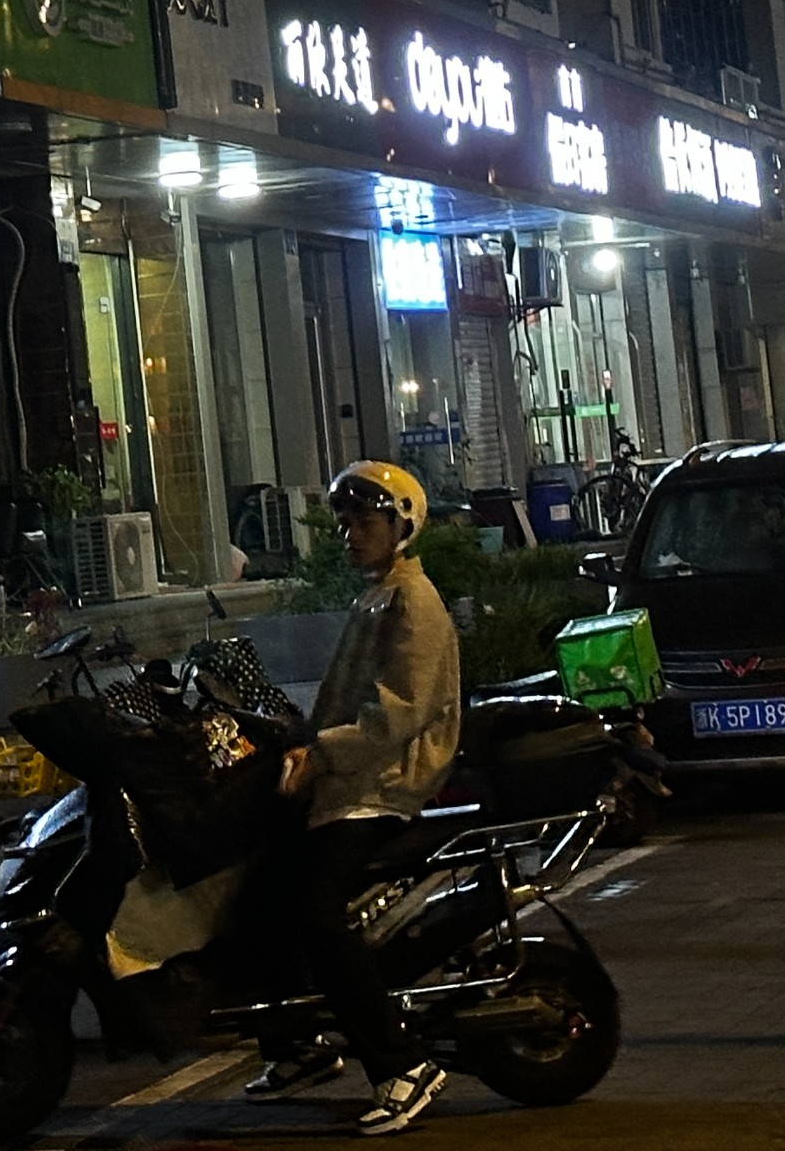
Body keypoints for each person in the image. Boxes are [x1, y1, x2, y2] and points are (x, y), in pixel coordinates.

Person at [243, 460, 462, 1137]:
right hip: (349, 781)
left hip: (382, 787)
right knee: (259, 889)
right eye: (344, 523)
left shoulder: (413, 603)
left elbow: (397, 714)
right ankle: (296, 1046)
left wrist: (321, 755)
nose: (351, 535)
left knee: (315, 914)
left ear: (403, 525)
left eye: (364, 522)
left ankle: (402, 1063)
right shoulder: (377, 595)